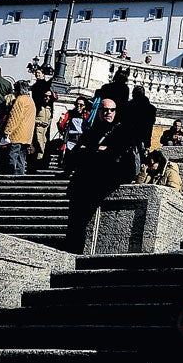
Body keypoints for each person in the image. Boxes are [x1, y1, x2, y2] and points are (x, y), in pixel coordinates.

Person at [65, 98, 138, 252]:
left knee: (81, 217)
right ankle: (71, 250)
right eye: (105, 110)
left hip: (104, 180)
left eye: (112, 110)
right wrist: (97, 150)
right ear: (99, 111)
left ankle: (74, 250)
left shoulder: (122, 130)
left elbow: (116, 155)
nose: (108, 113)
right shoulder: (92, 130)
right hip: (84, 180)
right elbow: (75, 154)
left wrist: (92, 150)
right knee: (75, 220)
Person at [0, 80, 36, 176]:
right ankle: (19, 176)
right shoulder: (30, 100)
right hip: (27, 135)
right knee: (22, 157)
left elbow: (14, 117)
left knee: (13, 155)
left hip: (17, 134)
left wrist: (7, 131)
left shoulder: (20, 100)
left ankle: (10, 175)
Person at [28, 84, 55, 173]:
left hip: (45, 132)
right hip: (36, 131)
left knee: (42, 149)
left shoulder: (49, 107)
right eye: (46, 96)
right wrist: (39, 122)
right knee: (37, 149)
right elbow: (31, 118)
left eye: (49, 96)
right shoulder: (37, 106)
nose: (47, 98)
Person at [58, 96, 90, 169]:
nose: (78, 106)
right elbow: (62, 126)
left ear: (85, 106)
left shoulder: (87, 115)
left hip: (82, 139)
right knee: (69, 158)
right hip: (71, 139)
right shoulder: (70, 113)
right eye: (77, 104)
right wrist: (60, 122)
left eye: (81, 105)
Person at [128, 85, 157, 154]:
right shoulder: (151, 109)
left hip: (130, 138)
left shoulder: (128, 106)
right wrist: (148, 144)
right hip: (143, 139)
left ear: (133, 94)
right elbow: (149, 128)